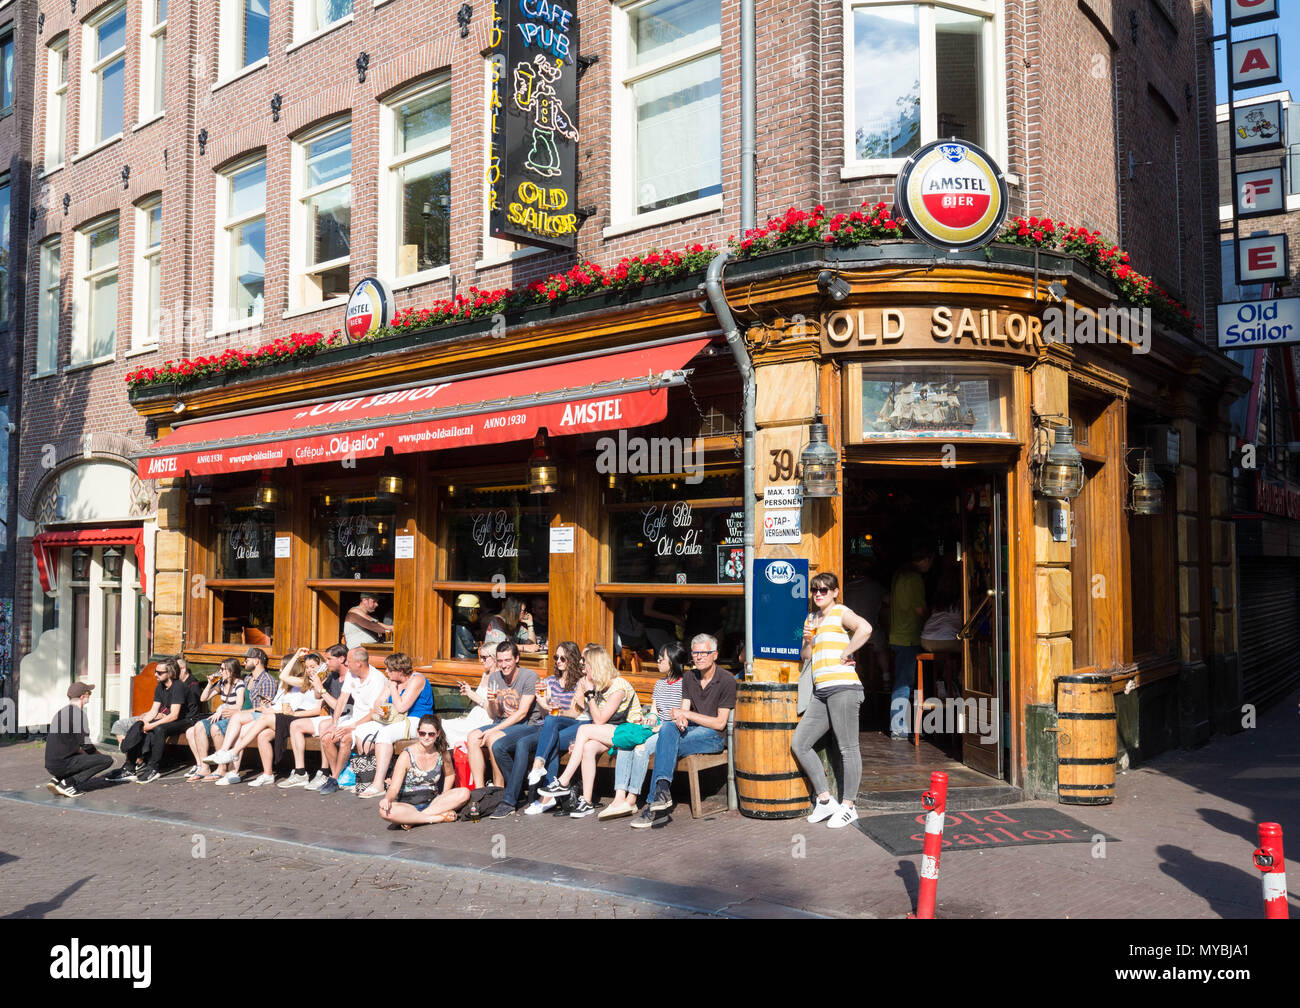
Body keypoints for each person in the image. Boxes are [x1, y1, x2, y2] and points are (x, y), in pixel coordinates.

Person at [792, 572, 874, 829]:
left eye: (825, 590)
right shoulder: (811, 618)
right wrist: (807, 640)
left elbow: (866, 628)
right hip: (821, 690)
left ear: (835, 592)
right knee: (800, 743)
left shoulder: (840, 612)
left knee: (848, 748)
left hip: (843, 687)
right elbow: (806, 655)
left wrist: (847, 652)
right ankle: (825, 800)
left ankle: (849, 806)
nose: (819, 594)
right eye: (815, 590)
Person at [630, 633, 735, 828]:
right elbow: (684, 710)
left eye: (704, 653)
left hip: (713, 737)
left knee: (664, 746)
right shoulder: (689, 676)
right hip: (693, 730)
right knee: (668, 727)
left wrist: (685, 715)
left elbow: (720, 723)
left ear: (715, 655)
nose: (699, 657)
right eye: (695, 653)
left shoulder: (726, 680)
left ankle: (654, 804)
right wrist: (680, 717)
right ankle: (662, 792)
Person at [538, 644, 641, 818]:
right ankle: (586, 801)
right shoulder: (600, 686)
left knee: (584, 730)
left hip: (630, 732)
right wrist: (578, 744)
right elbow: (597, 721)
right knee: (587, 748)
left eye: (586, 666)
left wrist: (589, 695)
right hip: (613, 732)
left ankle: (563, 781)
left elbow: (600, 720)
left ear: (596, 667)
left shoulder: (619, 687)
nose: (583, 670)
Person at [489, 640, 583, 817]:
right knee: (498, 746)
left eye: (564, 658)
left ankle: (510, 800)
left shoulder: (580, 683)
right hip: (545, 725)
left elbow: (575, 713)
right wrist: (542, 702)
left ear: (572, 659)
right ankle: (520, 785)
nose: (559, 661)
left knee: (530, 741)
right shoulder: (549, 681)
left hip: (567, 725)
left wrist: (555, 710)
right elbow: (543, 713)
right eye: (556, 657)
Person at [210, 651, 324, 786]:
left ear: (321, 667)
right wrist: (297, 655)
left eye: (313, 667)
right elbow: (283, 676)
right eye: (308, 667)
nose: (310, 670)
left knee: (262, 718)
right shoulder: (305, 682)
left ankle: (233, 752)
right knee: (263, 735)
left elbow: (317, 709)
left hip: (300, 718)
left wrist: (293, 714)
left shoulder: (320, 683)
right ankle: (267, 774)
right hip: (290, 716)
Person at [602, 641, 687, 820]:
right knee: (626, 746)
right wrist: (648, 719)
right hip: (654, 729)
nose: (658, 660)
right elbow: (655, 712)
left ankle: (632, 798)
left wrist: (660, 726)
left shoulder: (684, 685)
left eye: (661, 658)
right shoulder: (659, 684)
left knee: (640, 748)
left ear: (672, 661)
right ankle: (620, 796)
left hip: (668, 732)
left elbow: (681, 716)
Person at [351, 652, 433, 799]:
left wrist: (393, 689)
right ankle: (367, 778)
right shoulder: (392, 681)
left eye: (389, 669)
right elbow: (377, 702)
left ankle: (378, 784)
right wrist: (379, 709)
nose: (386, 672)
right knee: (362, 730)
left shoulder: (417, 679)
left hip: (418, 721)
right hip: (394, 720)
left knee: (385, 734)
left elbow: (402, 707)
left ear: (400, 671)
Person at [463, 641, 539, 790]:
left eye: (508, 660)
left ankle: (499, 788)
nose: (504, 665)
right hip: (503, 722)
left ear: (517, 659)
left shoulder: (529, 675)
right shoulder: (495, 678)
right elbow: (495, 714)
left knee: (492, 737)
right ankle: (479, 791)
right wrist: (492, 702)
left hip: (527, 724)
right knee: (472, 736)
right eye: (500, 661)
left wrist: (493, 730)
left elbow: (522, 713)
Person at [316, 646, 389, 794]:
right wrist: (334, 723)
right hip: (354, 718)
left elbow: (374, 712)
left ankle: (334, 779)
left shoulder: (377, 679)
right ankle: (340, 776)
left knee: (346, 739)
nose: (346, 664)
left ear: (359, 664)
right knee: (326, 738)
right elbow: (342, 699)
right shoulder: (352, 673)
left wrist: (352, 727)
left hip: (372, 721)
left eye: (349, 661)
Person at [378, 714, 470, 828]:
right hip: (408, 805)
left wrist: (444, 795)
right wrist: (387, 799)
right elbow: (394, 787)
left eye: (431, 734)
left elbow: (450, 775)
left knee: (464, 793)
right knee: (384, 812)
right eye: (422, 733)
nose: (426, 737)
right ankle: (436, 818)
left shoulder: (442, 752)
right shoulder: (406, 755)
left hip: (433, 802)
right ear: (418, 732)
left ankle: (415, 819)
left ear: (438, 734)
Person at [199, 648, 277, 780]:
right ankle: (230, 770)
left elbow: (264, 708)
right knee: (237, 727)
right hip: (246, 717)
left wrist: (239, 712)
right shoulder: (247, 679)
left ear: (256, 661)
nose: (244, 662)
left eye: (246, 660)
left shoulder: (267, 680)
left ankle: (229, 767)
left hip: (260, 717)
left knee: (236, 726)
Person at [111, 657, 193, 784]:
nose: (155, 674)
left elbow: (174, 715)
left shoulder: (178, 687)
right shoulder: (160, 687)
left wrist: (151, 725)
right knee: (139, 724)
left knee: (159, 729)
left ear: (170, 673)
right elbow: (153, 711)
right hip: (170, 718)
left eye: (159, 673)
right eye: (156, 671)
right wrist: (143, 723)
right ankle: (129, 767)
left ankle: (153, 768)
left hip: (187, 720)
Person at [281, 644, 351, 789]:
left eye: (329, 659)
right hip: (333, 717)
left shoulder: (350, 677)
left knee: (323, 725)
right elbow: (317, 694)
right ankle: (300, 773)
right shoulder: (331, 676)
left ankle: (324, 772)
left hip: (347, 718)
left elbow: (339, 707)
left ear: (341, 659)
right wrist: (318, 682)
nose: (327, 662)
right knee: (295, 725)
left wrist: (320, 687)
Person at [889, 546, 934, 740]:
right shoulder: (914, 579)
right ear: (924, 560)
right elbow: (919, 610)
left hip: (897, 634)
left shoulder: (899, 575)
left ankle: (904, 724)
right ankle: (898, 726)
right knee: (904, 683)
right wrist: (933, 622)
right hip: (909, 635)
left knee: (904, 681)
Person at [45, 683, 114, 796]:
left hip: (52, 764)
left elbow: (72, 745)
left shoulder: (62, 712)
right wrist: (99, 756)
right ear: (82, 696)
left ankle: (58, 779)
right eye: (89, 693)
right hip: (63, 764)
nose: (90, 696)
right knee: (107, 760)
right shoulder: (79, 715)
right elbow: (86, 745)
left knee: (84, 758)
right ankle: (68, 783)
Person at [183, 659, 246, 780]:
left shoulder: (239, 684)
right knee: (199, 726)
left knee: (214, 728)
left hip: (232, 718)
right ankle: (204, 767)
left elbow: (239, 706)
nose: (220, 671)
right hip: (221, 716)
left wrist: (222, 710)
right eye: (220, 669)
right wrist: (209, 684)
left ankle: (221, 768)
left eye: (222, 669)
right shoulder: (221, 683)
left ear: (231, 671)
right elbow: (203, 698)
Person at [452, 593, 482, 660]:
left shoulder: (459, 625)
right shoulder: (463, 628)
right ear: (470, 612)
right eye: (476, 612)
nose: (478, 615)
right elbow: (470, 645)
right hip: (466, 657)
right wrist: (478, 645)